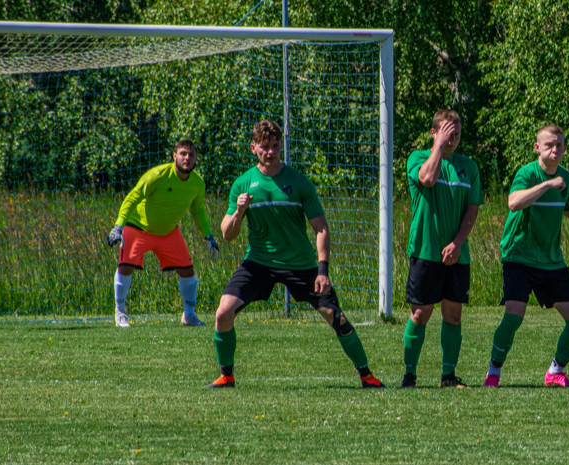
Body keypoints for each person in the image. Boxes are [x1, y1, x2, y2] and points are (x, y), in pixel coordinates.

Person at [205, 120, 384, 389]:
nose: (270, 152)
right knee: (222, 313)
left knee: (337, 317)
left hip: (301, 264)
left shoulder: (299, 182)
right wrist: (240, 211)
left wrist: (322, 270)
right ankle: (226, 376)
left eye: (275, 146)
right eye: (264, 147)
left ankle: (367, 375)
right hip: (259, 263)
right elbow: (227, 234)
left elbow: (321, 227)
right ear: (253, 148)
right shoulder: (243, 184)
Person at [483, 125, 569, 388]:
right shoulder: (527, 174)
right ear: (537, 149)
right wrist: (547, 184)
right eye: (549, 145)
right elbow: (514, 202)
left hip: (551, 260)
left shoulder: (566, 177)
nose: (554, 149)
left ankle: (556, 371)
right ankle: (493, 371)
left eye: (559, 145)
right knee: (513, 315)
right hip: (519, 256)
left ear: (565, 148)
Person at [401, 109, 483, 389]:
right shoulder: (418, 158)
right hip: (425, 250)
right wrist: (438, 147)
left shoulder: (468, 166)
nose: (453, 138)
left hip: (456, 253)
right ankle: (409, 374)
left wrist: (458, 243)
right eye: (448, 132)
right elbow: (427, 179)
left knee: (453, 314)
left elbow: (472, 208)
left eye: (457, 133)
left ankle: (448, 376)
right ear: (434, 132)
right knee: (421, 314)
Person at [106, 140, 220, 328]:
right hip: (138, 227)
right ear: (174, 156)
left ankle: (189, 316)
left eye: (191, 154)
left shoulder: (197, 184)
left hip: (168, 232)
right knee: (126, 266)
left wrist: (209, 236)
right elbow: (132, 197)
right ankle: (120, 313)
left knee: (187, 271)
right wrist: (118, 226)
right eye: (183, 153)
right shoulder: (157, 175)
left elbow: (198, 211)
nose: (187, 158)